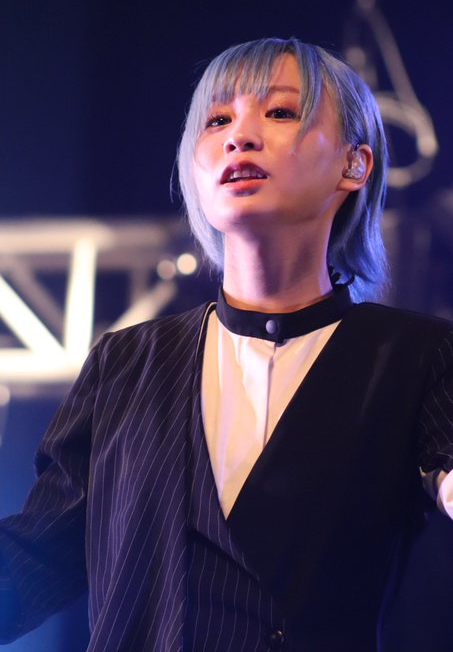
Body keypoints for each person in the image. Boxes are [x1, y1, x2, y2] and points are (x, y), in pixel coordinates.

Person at [0, 37, 452, 652]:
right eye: (217, 121)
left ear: (354, 164)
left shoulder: (415, 356)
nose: (240, 136)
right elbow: (36, 556)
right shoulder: (125, 363)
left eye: (280, 112)